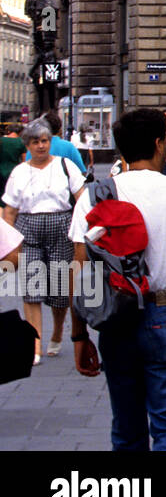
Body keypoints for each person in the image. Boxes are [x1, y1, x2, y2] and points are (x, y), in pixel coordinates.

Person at [68, 108, 166, 451]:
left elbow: (79, 272)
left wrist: (79, 335)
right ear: (159, 144)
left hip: (114, 318)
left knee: (126, 428)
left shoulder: (94, 197)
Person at [2, 119, 87, 365]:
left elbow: (81, 198)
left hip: (60, 226)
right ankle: (35, 343)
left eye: (45, 140)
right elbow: (10, 210)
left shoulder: (65, 165)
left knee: (60, 291)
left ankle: (58, 330)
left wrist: (81, 228)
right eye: (35, 142)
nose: (41, 146)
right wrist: (10, 245)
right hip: (28, 228)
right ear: (27, 145)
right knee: (31, 290)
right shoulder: (20, 172)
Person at [0, 122, 25, 198]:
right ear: (20, 132)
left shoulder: (1, 140)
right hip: (14, 172)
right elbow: (24, 160)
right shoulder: (21, 142)